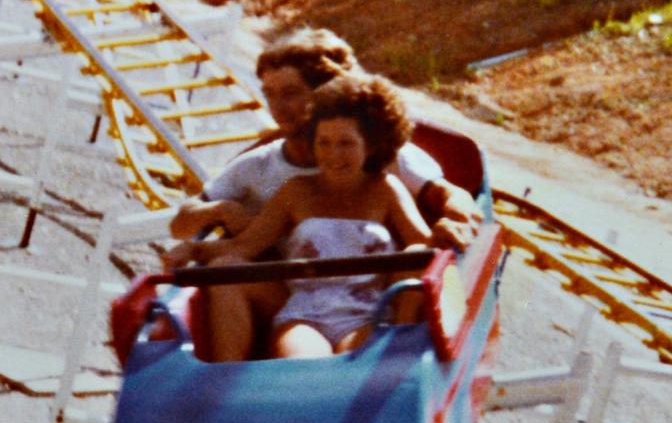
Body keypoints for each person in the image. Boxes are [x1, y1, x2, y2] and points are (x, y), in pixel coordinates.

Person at [167, 28, 480, 361]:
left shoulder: (387, 175)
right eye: (270, 94)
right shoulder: (288, 184)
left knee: (359, 356)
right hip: (302, 301)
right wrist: (201, 239)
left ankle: (400, 358)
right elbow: (237, 243)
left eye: (290, 93)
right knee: (288, 343)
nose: (277, 107)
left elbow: (427, 238)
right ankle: (225, 382)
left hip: (367, 305)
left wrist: (453, 224)